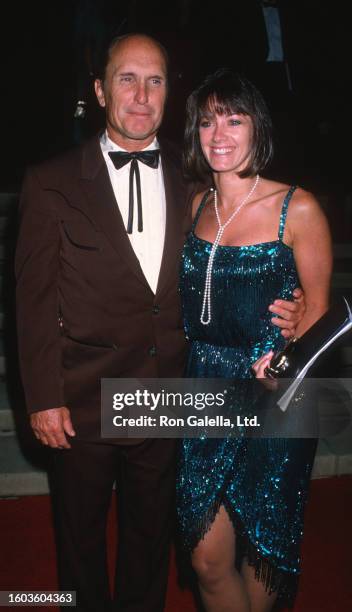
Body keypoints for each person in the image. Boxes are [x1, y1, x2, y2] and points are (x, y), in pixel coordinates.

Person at [15, 34, 304, 612]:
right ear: (100, 91)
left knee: (150, 543)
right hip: (82, 398)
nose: (142, 96)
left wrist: (288, 306)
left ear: (170, 93)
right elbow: (33, 300)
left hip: (170, 394)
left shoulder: (197, 175)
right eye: (127, 79)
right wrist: (44, 397)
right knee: (79, 545)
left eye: (156, 81)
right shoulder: (50, 181)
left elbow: (244, 251)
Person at [176, 69, 332, 612]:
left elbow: (320, 310)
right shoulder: (196, 205)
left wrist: (287, 355)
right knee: (205, 558)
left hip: (276, 397)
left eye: (233, 118)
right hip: (206, 389)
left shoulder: (299, 207)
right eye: (206, 121)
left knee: (263, 552)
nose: (219, 133)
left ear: (256, 127)